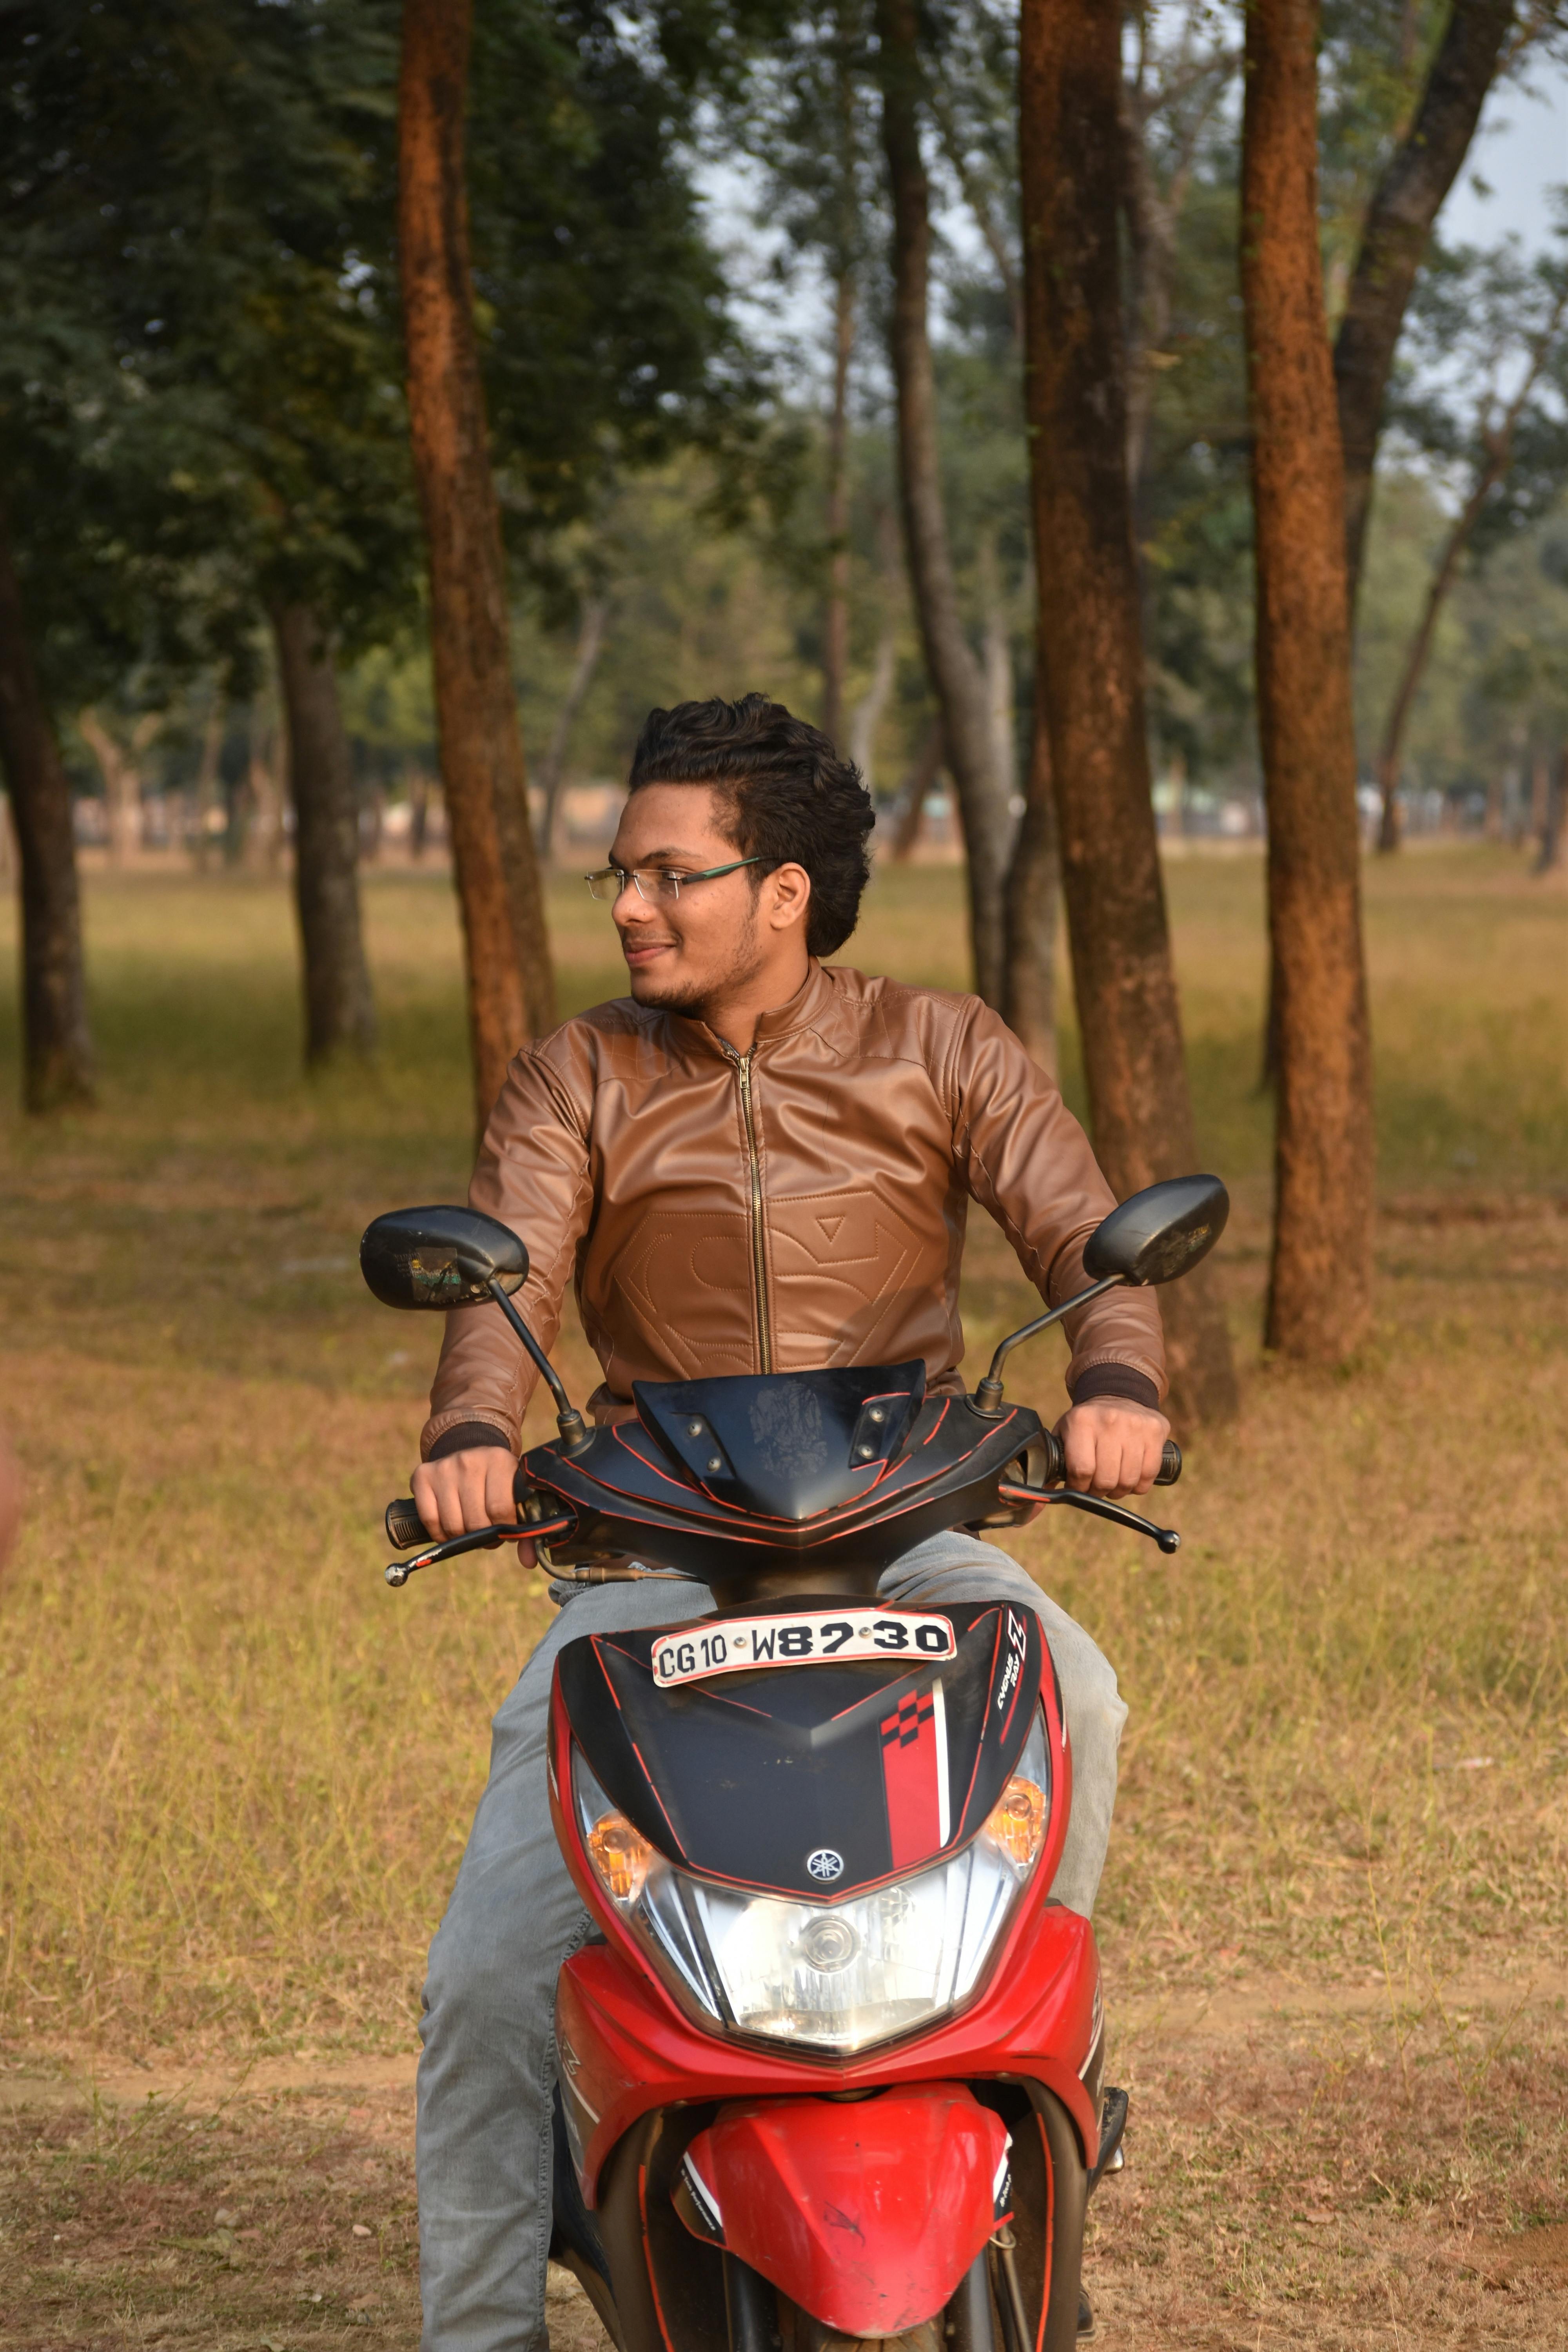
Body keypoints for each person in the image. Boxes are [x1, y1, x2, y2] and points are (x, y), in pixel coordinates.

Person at [410, 695, 1169, 2352]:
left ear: (784, 893)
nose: (625, 905)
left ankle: (1036, 2077)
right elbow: (507, 1271)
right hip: (655, 1564)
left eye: (667, 875)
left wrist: (1119, 1382)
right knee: (487, 1971)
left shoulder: (943, 1046)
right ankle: (476, 2331)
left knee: (1080, 1691)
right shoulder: (582, 1073)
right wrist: (474, 1429)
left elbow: (1086, 1239)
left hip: (901, 1540)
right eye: (620, 873)